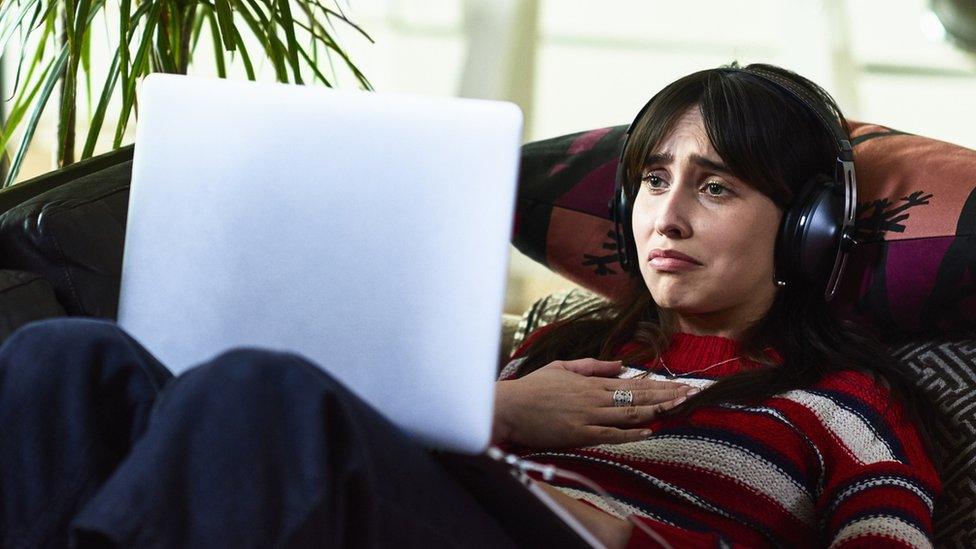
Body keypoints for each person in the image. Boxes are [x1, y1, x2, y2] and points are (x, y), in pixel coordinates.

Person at [0, 63, 939, 549]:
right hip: (447, 511)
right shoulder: (553, 348)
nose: (669, 214)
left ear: (809, 228)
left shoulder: (845, 402)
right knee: (64, 356)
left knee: (256, 390)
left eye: (719, 187)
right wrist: (496, 411)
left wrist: (635, 535)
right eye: (653, 179)